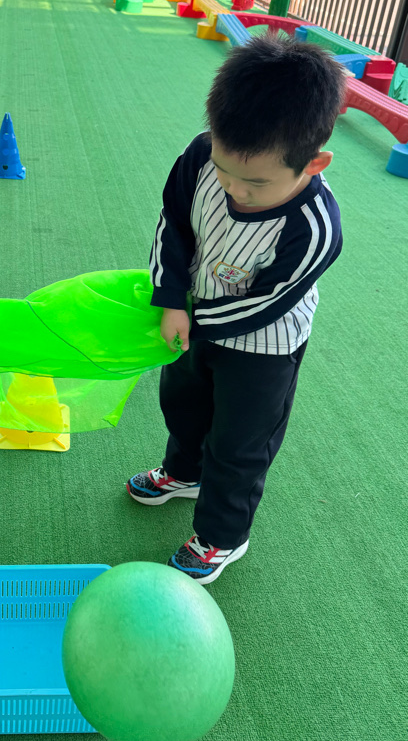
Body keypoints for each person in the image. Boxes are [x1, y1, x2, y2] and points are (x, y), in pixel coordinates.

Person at [127, 35, 345, 584]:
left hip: (262, 345)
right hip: (192, 318)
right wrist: (170, 299)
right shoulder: (201, 154)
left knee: (239, 442)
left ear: (314, 163)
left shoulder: (315, 227)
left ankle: (223, 535)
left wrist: (193, 320)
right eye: (225, 170)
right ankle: (183, 472)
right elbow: (173, 223)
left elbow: (267, 304)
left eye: (256, 182)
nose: (235, 190)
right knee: (182, 403)